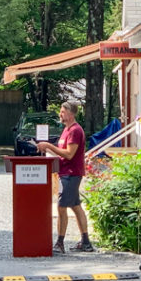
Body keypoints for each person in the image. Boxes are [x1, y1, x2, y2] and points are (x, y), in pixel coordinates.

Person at [37, 101, 93, 253]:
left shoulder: (75, 130)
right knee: (75, 206)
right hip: (65, 172)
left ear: (71, 113)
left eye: (62, 112)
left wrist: (48, 145)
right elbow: (61, 152)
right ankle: (86, 242)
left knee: (61, 207)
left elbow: (69, 154)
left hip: (71, 173)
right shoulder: (66, 130)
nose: (60, 114)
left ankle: (60, 243)